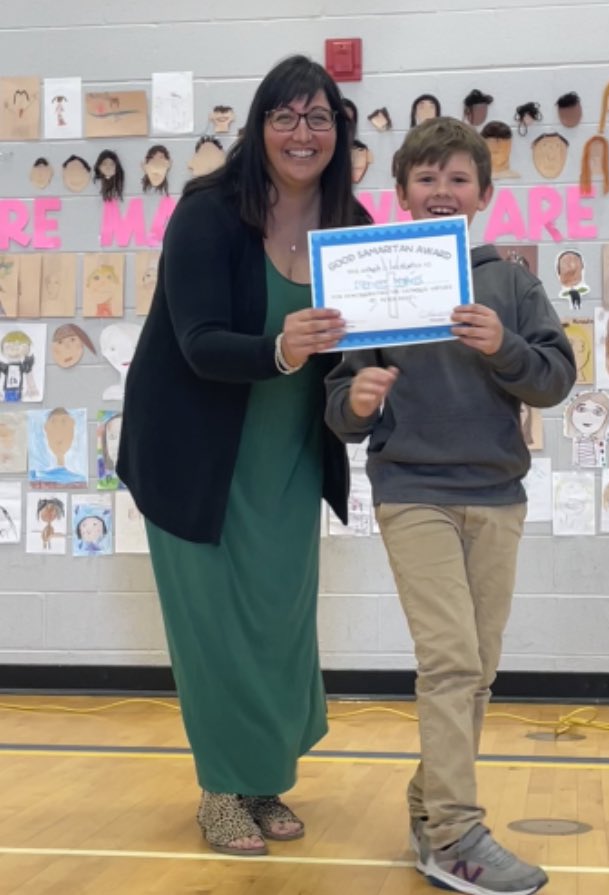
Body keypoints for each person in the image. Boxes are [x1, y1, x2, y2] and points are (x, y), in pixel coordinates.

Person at [117, 54, 370, 857]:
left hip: (288, 453)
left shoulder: (354, 227)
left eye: (319, 117)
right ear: (259, 128)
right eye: (285, 117)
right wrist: (281, 349)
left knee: (276, 624)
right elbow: (197, 345)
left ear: (339, 131)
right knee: (213, 631)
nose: (303, 133)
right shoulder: (205, 215)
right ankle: (219, 790)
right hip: (194, 456)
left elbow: (364, 350)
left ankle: (260, 779)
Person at [325, 116, 575, 895]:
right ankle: (457, 836)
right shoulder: (368, 277)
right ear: (400, 193)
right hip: (413, 494)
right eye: (425, 178)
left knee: (478, 672)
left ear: (482, 194)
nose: (441, 190)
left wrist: (501, 343)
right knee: (450, 661)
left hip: (496, 495)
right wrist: (357, 400)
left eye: (456, 179)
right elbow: (336, 404)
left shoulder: (507, 279)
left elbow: (553, 379)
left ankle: (427, 806)